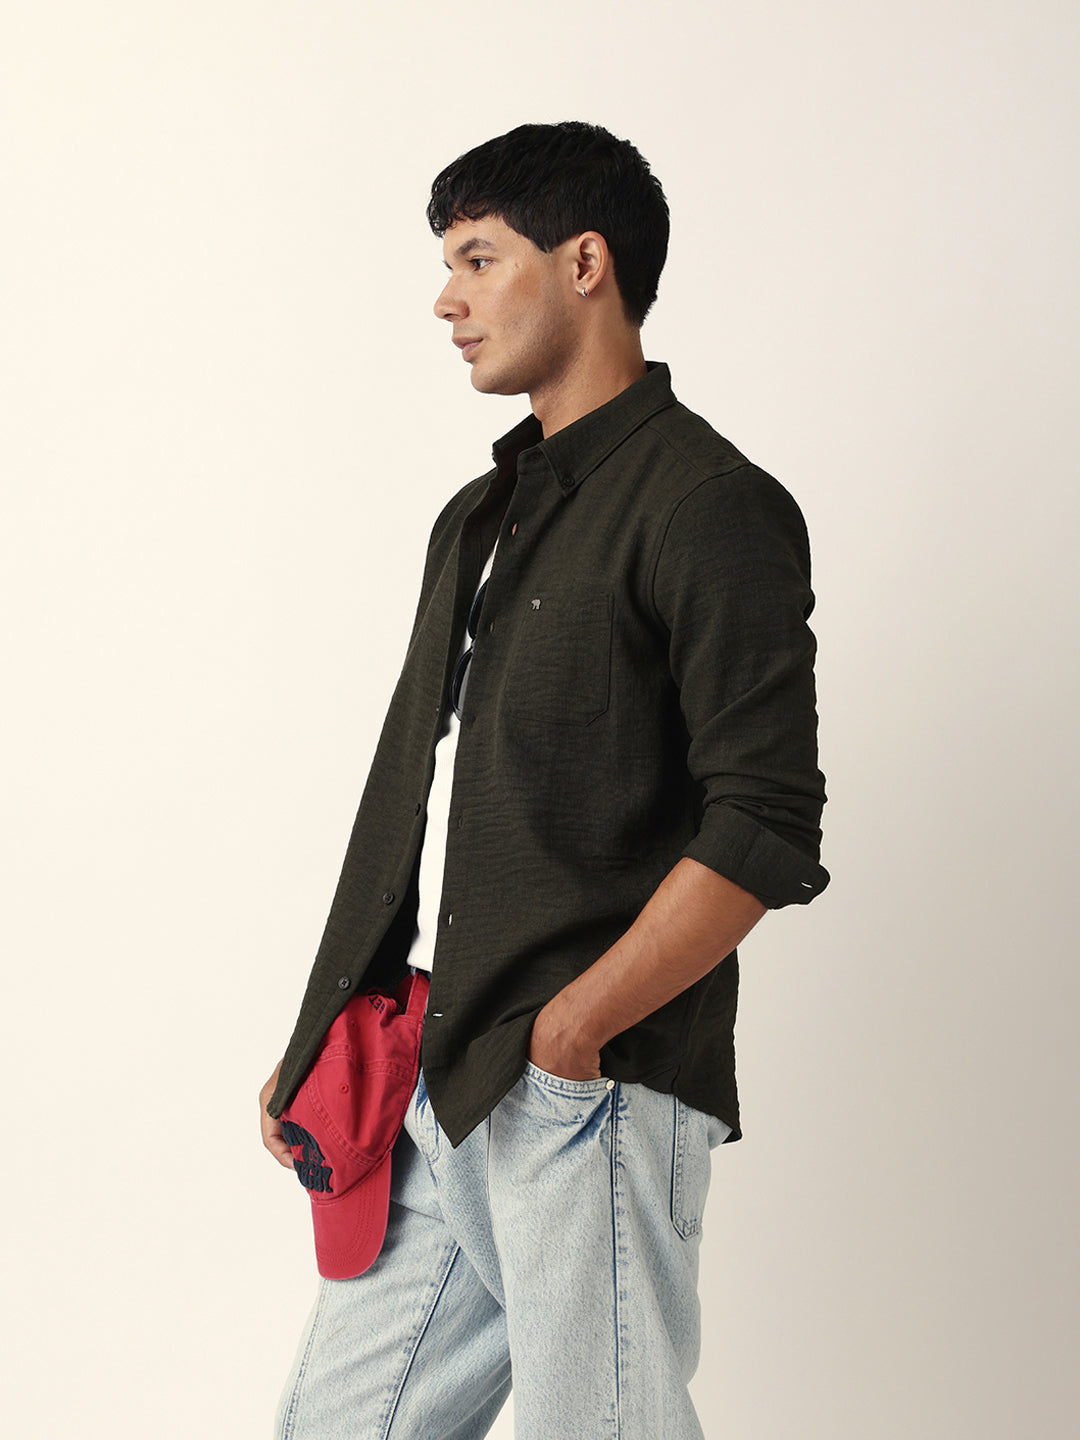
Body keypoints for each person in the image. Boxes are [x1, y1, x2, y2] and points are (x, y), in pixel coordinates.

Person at [260, 120, 828, 1440]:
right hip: (442, 1079)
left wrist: (574, 1034)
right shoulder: (478, 519)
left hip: (588, 1089)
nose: (445, 299)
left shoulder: (707, 503)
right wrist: (321, 1033)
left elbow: (764, 820)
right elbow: (413, 793)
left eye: (477, 258)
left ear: (584, 263)